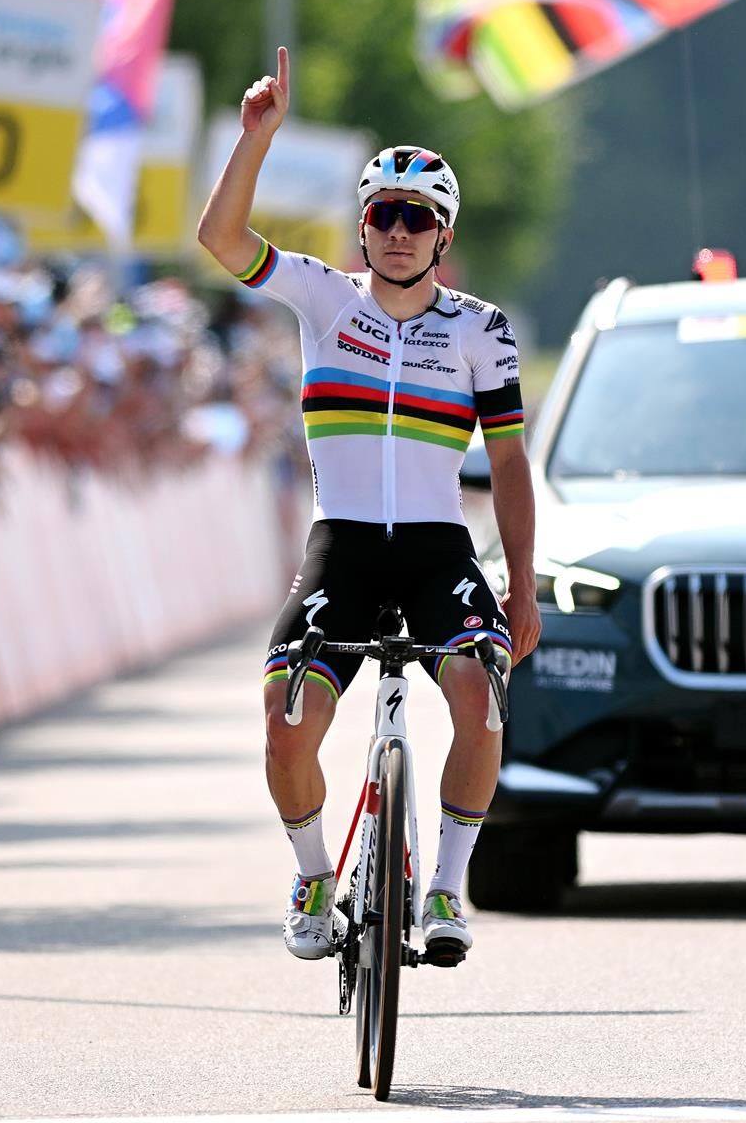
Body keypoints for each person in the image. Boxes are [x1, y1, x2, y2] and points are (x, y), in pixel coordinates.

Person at [194, 47, 539, 967]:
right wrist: (254, 142)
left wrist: (525, 585)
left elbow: (508, 463)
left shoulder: (481, 330)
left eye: (416, 219)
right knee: (286, 724)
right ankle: (312, 873)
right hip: (341, 547)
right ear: (362, 227)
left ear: (442, 236)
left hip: (437, 552)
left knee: (480, 702)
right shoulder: (322, 296)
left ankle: (448, 887)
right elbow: (222, 242)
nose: (397, 231)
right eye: (383, 215)